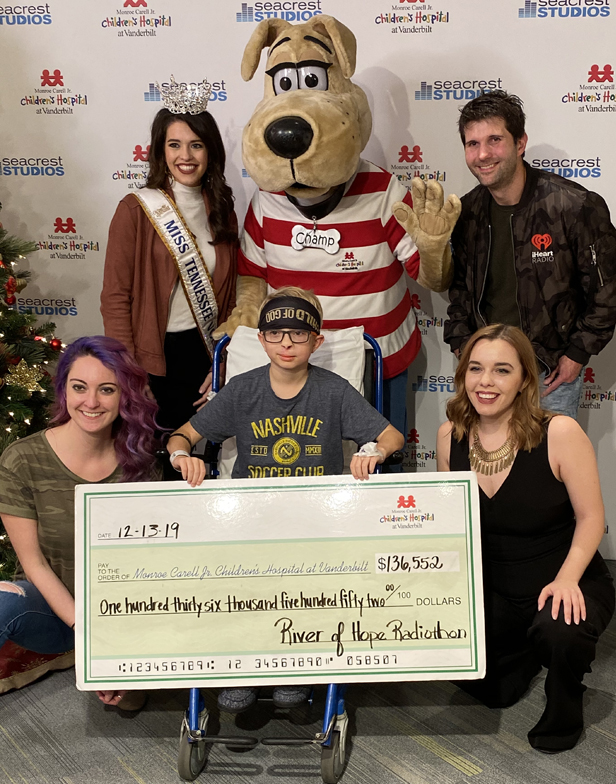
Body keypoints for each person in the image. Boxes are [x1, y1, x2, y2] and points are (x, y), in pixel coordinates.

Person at [168, 286, 404, 711]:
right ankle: (243, 667)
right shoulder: (242, 389)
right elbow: (182, 435)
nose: (287, 343)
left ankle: (295, 667)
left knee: (306, 587)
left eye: (298, 334)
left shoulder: (334, 391)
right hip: (250, 520)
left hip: (315, 523)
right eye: (276, 334)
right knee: (239, 586)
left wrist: (375, 450)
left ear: (317, 341)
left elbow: (391, 436)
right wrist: (183, 456)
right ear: (261, 340)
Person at [436, 324, 615, 753]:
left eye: (502, 370)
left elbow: (592, 518)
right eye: (475, 368)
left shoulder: (560, 432)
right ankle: (523, 648)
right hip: (497, 582)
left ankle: (565, 701)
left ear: (523, 380)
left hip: (562, 574)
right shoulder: (449, 435)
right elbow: (452, 522)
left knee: (560, 631)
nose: (486, 381)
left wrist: (568, 579)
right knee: (489, 691)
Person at [443, 90, 616, 419]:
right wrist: (462, 344)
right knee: (487, 455)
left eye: (494, 140)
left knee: (548, 455)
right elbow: (459, 288)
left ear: (520, 143)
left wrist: (576, 354)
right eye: (472, 143)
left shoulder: (574, 206)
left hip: (549, 374)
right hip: (486, 375)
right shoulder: (467, 212)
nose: (482, 154)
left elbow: (608, 290)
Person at [0, 337, 161, 711]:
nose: (91, 402)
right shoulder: (22, 459)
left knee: (128, 703)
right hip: (56, 613)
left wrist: (118, 642)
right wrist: (87, 632)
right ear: (63, 390)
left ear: (124, 396)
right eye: (79, 387)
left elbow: (150, 563)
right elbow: (34, 564)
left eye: (107, 389)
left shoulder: (141, 462)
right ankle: (80, 653)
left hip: (124, 611)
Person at [101, 78, 239, 436]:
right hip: (152, 359)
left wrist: (223, 359)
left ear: (211, 152)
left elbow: (230, 297)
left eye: (196, 145)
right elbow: (116, 298)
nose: (185, 156)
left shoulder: (223, 210)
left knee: (203, 453)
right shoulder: (135, 210)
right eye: (174, 145)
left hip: (205, 354)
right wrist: (129, 371)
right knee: (153, 455)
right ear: (161, 152)